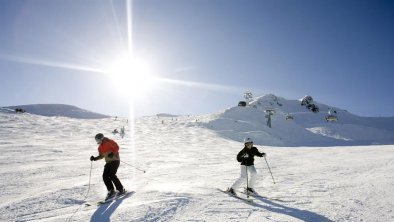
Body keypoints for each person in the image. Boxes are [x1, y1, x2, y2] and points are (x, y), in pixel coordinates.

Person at [90, 133, 126, 200]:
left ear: (101, 138)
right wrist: (94, 158)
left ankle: (121, 189)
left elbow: (117, 147)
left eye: (97, 140)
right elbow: (101, 156)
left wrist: (113, 153)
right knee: (104, 176)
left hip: (115, 160)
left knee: (112, 174)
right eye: (96, 140)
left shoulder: (109, 141)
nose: (97, 142)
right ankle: (111, 191)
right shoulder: (100, 147)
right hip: (108, 162)